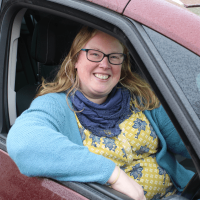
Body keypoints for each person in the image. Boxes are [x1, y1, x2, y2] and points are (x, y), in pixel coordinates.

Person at [7, 26, 194, 200]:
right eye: (94, 54)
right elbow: (23, 143)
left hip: (181, 193)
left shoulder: (141, 98)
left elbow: (189, 138)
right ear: (75, 61)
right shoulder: (56, 104)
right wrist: (114, 175)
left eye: (114, 57)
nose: (105, 64)